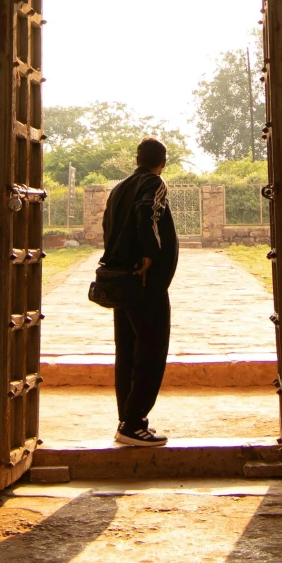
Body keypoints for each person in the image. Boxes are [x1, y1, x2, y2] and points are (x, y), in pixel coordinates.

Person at [99, 136, 179, 446]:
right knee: (151, 349)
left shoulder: (119, 188)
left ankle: (126, 419)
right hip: (145, 280)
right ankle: (134, 423)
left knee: (128, 350)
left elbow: (110, 226)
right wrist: (148, 254)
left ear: (137, 157)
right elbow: (147, 212)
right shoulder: (154, 183)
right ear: (163, 162)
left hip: (121, 280)